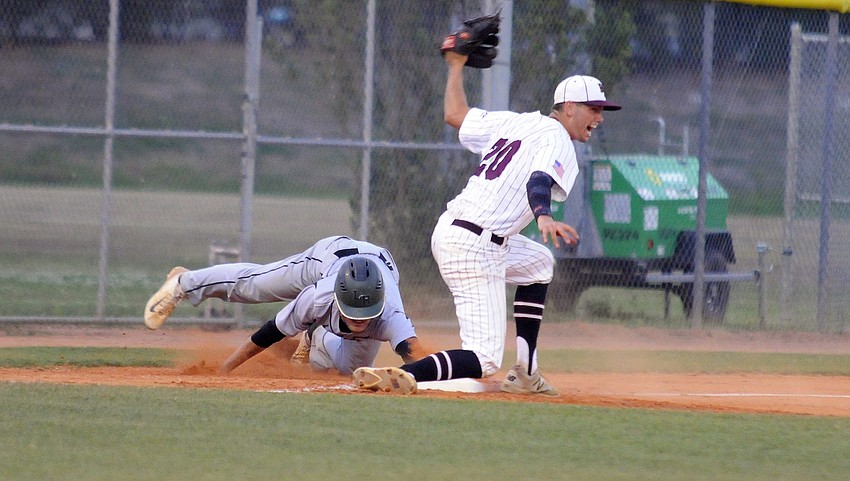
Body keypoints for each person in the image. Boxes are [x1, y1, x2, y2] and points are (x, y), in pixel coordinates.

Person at [353, 50, 623, 396]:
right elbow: (539, 180)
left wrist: (455, 66)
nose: (599, 117)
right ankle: (406, 376)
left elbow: (455, 114)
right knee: (484, 358)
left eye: (602, 110)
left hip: (460, 230)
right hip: (476, 245)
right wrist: (544, 216)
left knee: (539, 263)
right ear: (569, 106)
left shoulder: (517, 122)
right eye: (594, 108)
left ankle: (526, 373)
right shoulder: (557, 140)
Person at [143, 236, 431, 375]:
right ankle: (183, 283)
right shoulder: (318, 296)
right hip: (326, 259)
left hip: (379, 264)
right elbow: (269, 333)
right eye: (351, 311)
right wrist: (225, 368)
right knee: (257, 285)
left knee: (350, 370)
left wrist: (434, 378)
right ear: (338, 300)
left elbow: (415, 355)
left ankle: (316, 335)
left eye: (366, 314)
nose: (359, 320)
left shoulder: (391, 314)